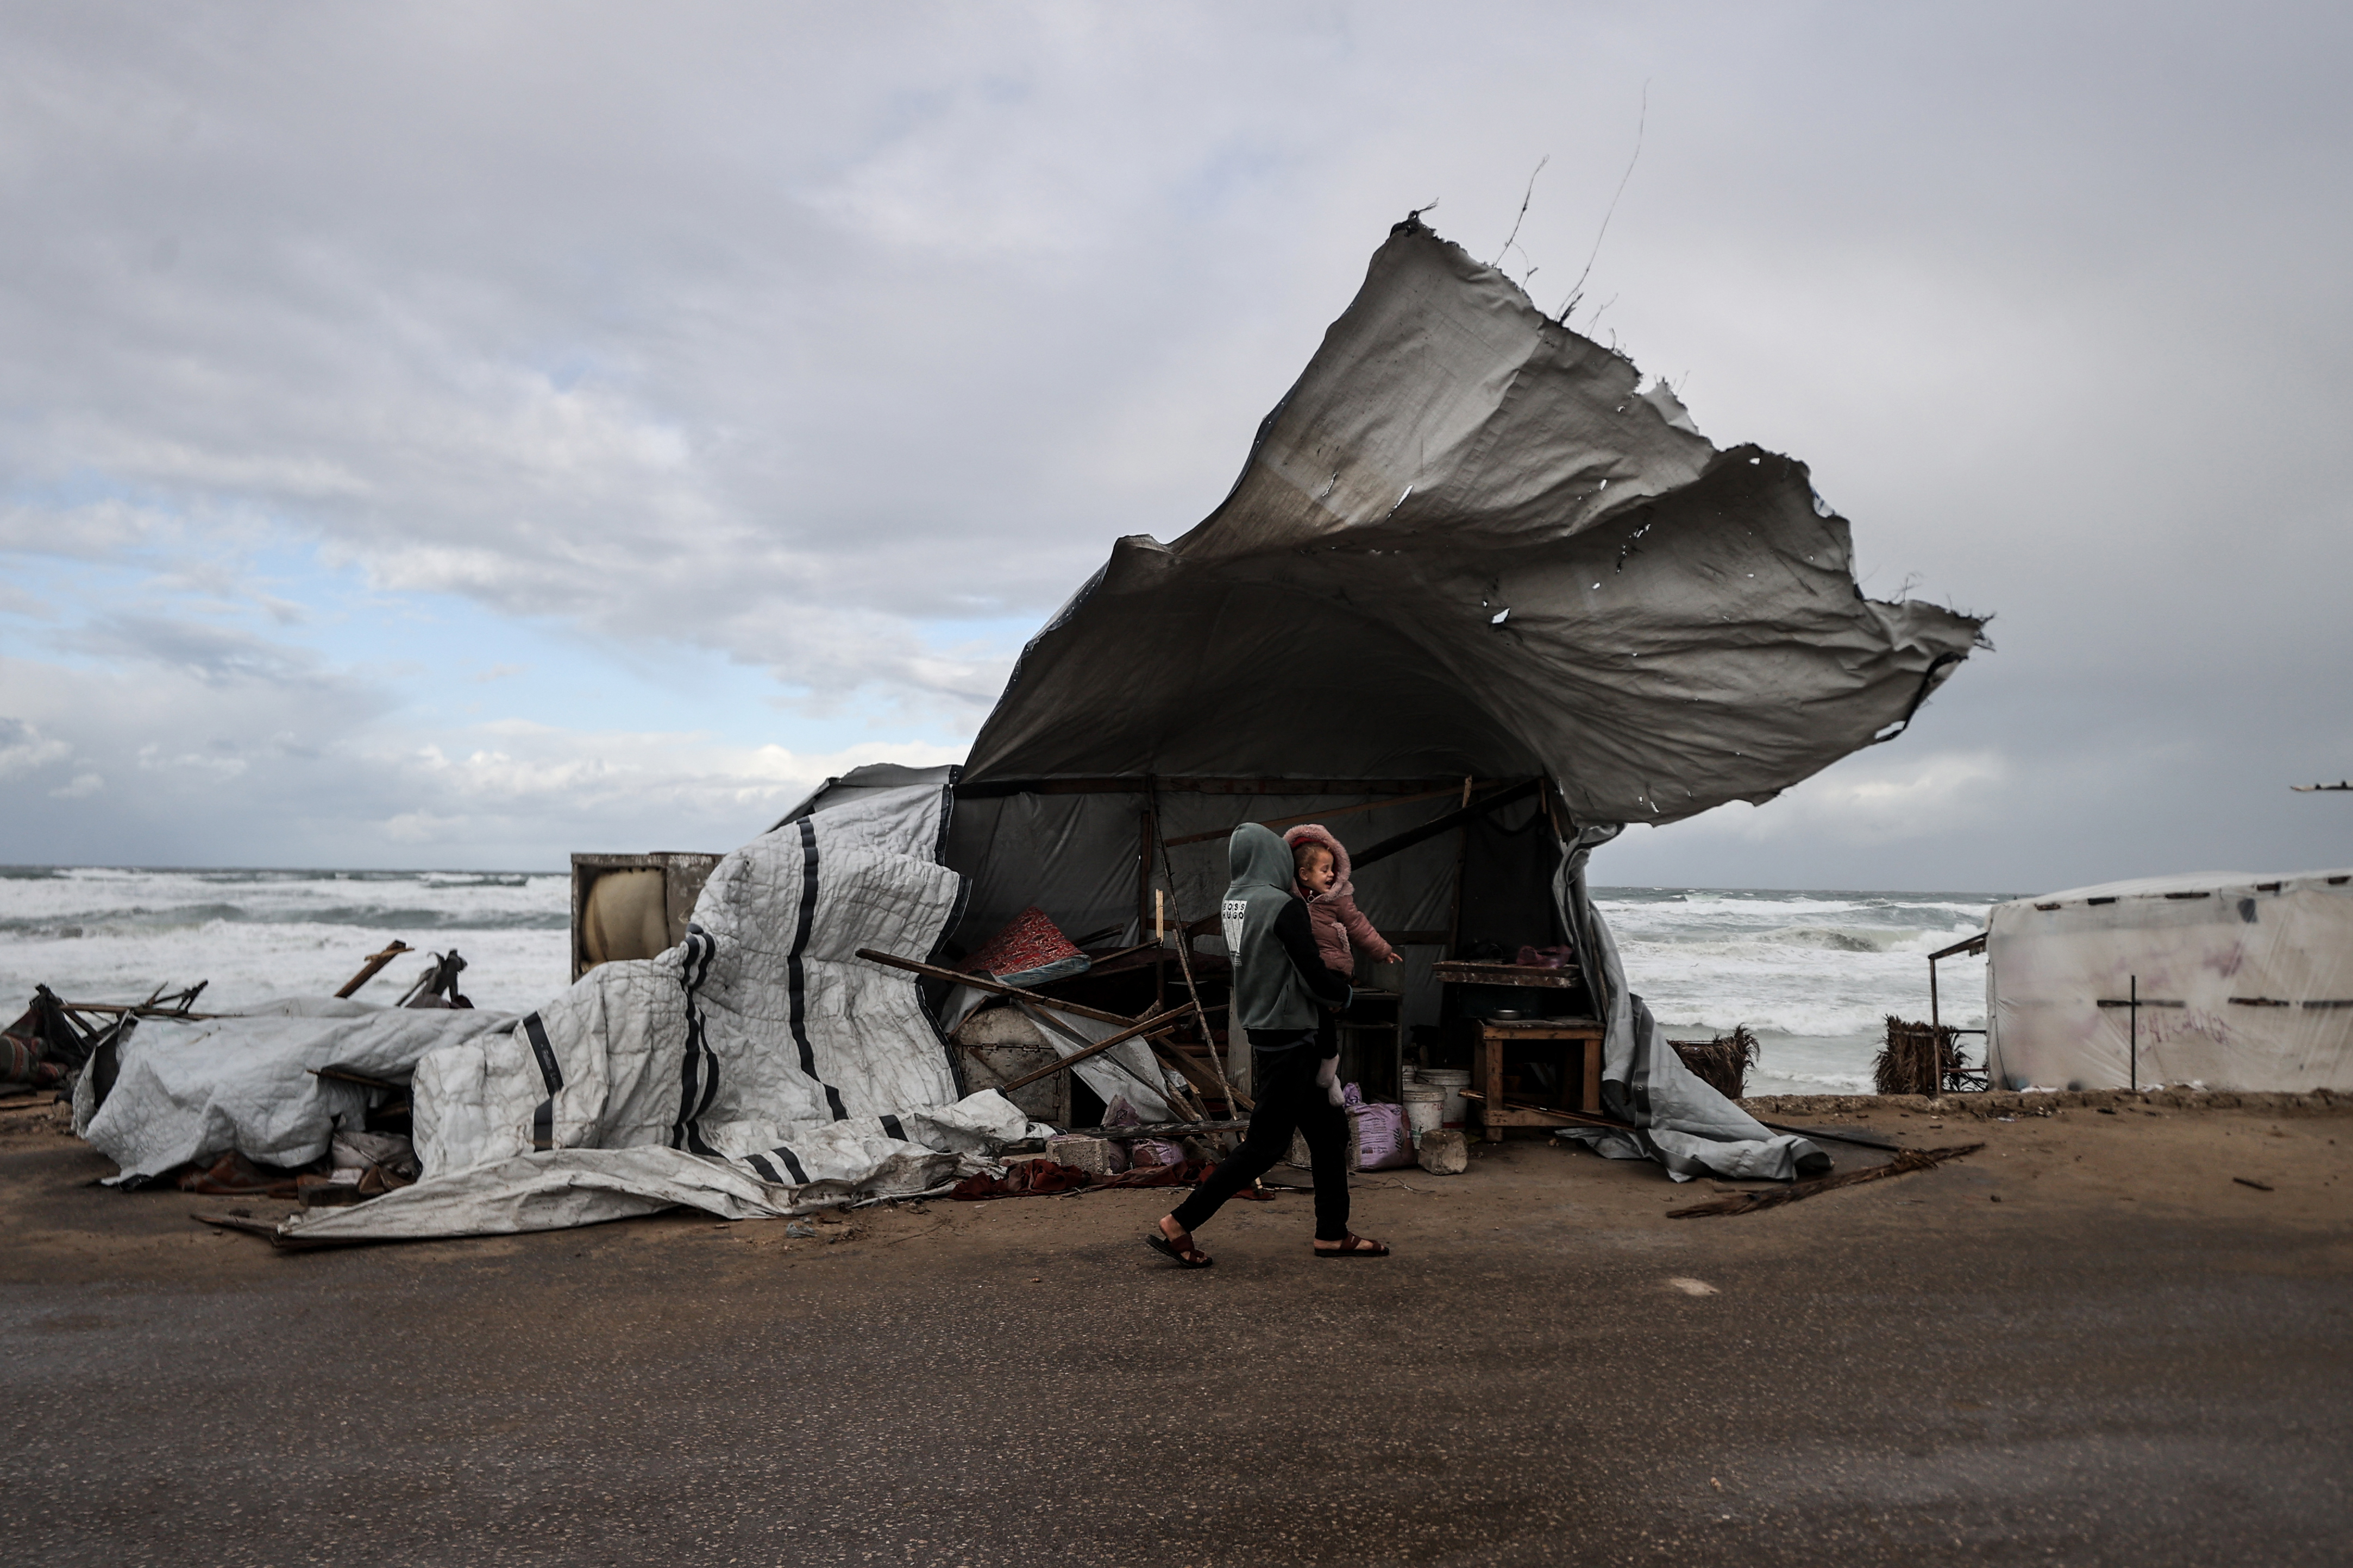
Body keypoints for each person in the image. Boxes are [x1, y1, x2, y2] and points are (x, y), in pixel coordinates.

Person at [1149, 823, 1391, 1267]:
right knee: (1264, 1146)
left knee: (1329, 1134)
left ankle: (1332, 1234)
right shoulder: (1283, 906)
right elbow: (1313, 974)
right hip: (1293, 1034)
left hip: (1264, 1027)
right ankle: (1180, 1221)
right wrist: (1348, 997)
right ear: (1275, 860)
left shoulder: (1233, 901)